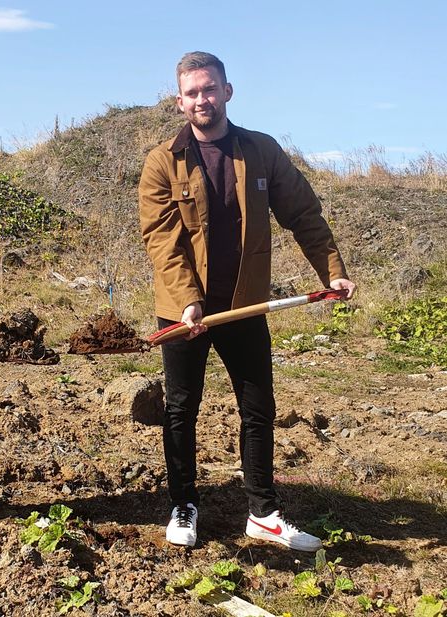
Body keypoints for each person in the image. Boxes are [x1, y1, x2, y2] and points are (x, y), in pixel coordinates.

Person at [139, 52, 356, 550]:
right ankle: (184, 505)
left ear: (227, 91)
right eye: (192, 92)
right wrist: (188, 301)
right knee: (180, 409)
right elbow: (162, 241)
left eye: (209, 89)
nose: (202, 99)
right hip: (183, 311)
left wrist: (334, 273)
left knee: (257, 408)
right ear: (179, 101)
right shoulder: (161, 162)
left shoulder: (261, 152)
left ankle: (262, 512)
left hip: (245, 305)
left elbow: (303, 213)